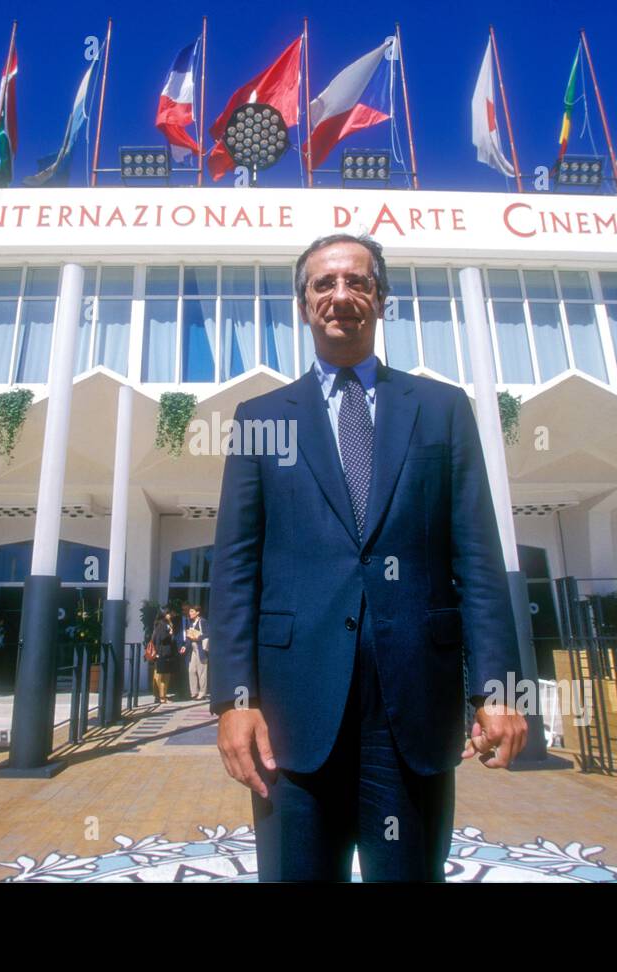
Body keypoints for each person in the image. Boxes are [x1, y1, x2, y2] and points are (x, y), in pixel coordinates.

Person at [209, 233, 529, 882]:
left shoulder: (441, 410)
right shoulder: (260, 418)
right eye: (324, 284)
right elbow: (236, 569)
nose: (341, 296)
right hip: (292, 714)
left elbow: (478, 558)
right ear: (302, 305)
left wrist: (497, 687)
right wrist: (233, 698)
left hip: (412, 707)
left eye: (357, 282)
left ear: (380, 300)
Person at [180, 605, 209, 700]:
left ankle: (202, 693)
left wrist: (198, 638)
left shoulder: (202, 621)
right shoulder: (191, 623)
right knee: (191, 670)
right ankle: (194, 692)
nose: (190, 613)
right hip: (193, 649)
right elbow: (189, 637)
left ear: (197, 612)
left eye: (192, 611)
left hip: (201, 648)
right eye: (190, 612)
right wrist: (184, 646)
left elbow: (208, 633)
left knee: (202, 672)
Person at [151, 608, 178, 704]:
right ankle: (162, 697)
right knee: (163, 676)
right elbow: (162, 637)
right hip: (162, 653)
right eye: (168, 613)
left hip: (166, 652)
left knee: (165, 675)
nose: (170, 615)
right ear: (163, 615)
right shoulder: (161, 624)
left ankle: (163, 696)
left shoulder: (165, 624)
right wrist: (170, 633)